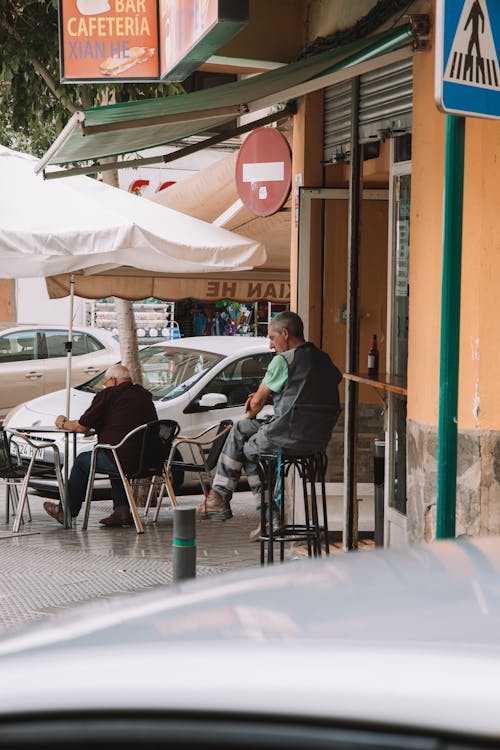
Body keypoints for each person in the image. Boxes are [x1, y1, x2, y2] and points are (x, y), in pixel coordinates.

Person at [197, 311, 342, 521]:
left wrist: (256, 404)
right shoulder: (324, 360)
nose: (271, 346)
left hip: (286, 435)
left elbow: (255, 403)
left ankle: (245, 506)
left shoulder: (283, 360)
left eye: (272, 338)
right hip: (317, 438)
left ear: (285, 333)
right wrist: (277, 399)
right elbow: (315, 391)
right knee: (244, 436)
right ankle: (229, 501)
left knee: (247, 447)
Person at [43, 364, 158, 528]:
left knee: (83, 461)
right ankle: (122, 511)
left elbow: (81, 427)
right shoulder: (144, 395)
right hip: (150, 461)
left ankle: (65, 511)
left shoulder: (109, 394)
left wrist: (63, 423)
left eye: (105, 382)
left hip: (124, 459)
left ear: (113, 380)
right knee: (114, 453)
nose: (104, 386)